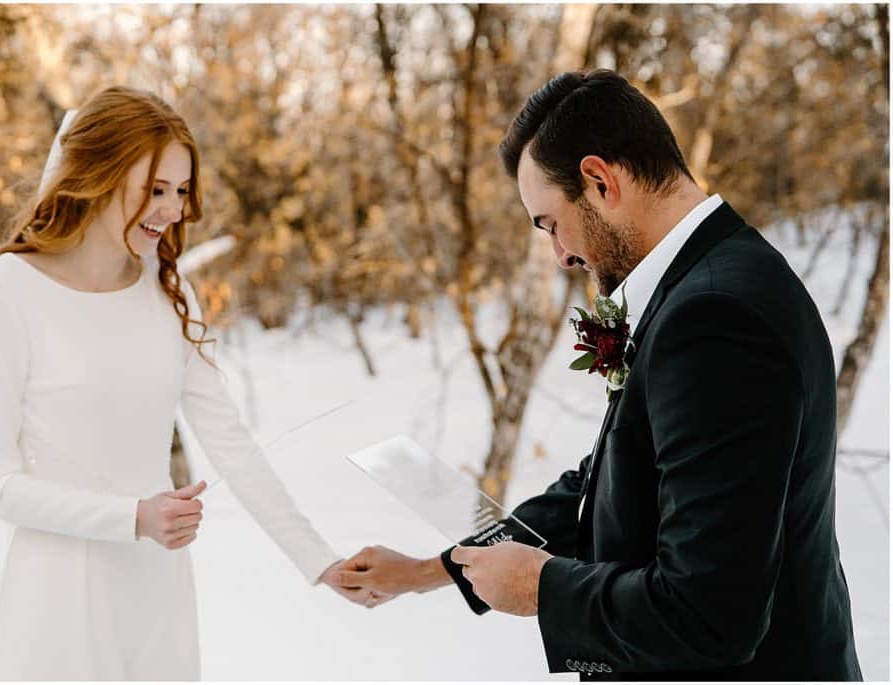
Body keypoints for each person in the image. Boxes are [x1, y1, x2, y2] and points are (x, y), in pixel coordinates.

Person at [336, 70, 863, 681]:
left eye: (551, 223)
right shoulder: (704, 283)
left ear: (600, 180)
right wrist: (436, 569)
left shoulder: (715, 320)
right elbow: (609, 481)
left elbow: (712, 614)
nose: (559, 255)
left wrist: (544, 589)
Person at [0, 86, 358, 680]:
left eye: (182, 191)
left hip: (154, 590)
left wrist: (320, 561)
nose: (172, 210)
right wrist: (132, 517)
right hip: (57, 597)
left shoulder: (167, 293)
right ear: (96, 174)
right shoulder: (1, 291)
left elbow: (231, 442)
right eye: (155, 189)